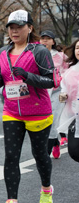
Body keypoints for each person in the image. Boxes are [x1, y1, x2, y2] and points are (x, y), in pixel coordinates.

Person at [0, 10, 55, 203]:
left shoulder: (39, 51)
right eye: (11, 27)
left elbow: (51, 81)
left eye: (19, 26)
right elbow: (2, 80)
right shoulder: (2, 53)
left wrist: (28, 76)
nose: (14, 31)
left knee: (39, 155)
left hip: (38, 112)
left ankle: (46, 188)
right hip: (12, 111)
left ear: (30, 28)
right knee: (11, 156)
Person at [40, 30, 69, 159]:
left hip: (60, 92)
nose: (45, 41)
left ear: (53, 41)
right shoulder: (37, 55)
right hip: (42, 92)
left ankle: (45, 153)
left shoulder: (61, 56)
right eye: (43, 38)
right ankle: (55, 143)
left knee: (54, 118)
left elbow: (71, 71)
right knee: (44, 121)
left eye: (48, 38)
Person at [58, 39, 79, 161]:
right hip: (74, 117)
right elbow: (64, 88)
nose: (78, 50)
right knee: (74, 152)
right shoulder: (70, 72)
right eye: (77, 48)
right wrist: (63, 95)